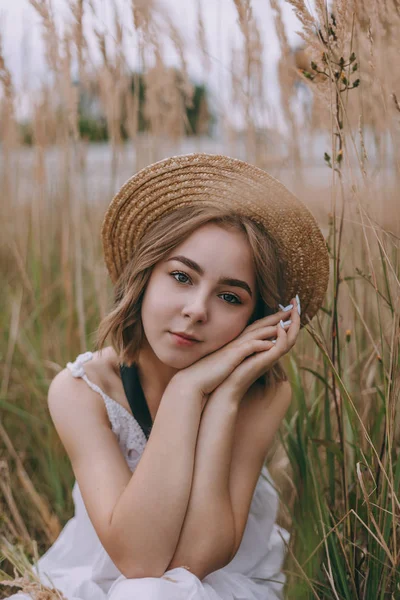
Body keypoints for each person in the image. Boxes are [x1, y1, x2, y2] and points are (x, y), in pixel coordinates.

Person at [4, 153, 329, 600]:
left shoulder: (261, 393)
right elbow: (139, 561)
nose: (196, 310)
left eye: (230, 297)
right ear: (145, 275)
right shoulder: (82, 391)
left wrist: (222, 396)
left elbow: (197, 560)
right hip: (98, 577)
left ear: (256, 318)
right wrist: (186, 389)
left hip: (223, 582)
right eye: (181, 276)